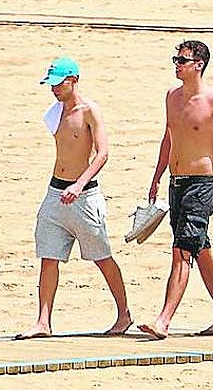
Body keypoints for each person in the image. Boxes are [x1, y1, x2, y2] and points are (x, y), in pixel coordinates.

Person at [141, 40, 213, 339]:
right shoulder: (171, 97)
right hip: (176, 181)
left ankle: (163, 320)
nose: (177, 65)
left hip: (203, 184)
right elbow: (168, 138)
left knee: (182, 248)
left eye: (182, 60)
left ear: (199, 65)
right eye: (175, 59)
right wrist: (157, 176)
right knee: (199, 248)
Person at [17, 58, 131, 339]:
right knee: (48, 257)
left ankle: (124, 314)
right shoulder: (55, 112)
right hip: (55, 192)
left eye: (59, 84)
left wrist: (79, 185)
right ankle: (43, 322)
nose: (54, 89)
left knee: (101, 256)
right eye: (51, 85)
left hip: (84, 195)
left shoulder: (89, 111)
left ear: (74, 80)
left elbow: (102, 153)